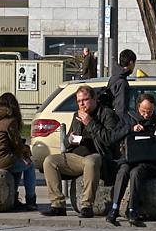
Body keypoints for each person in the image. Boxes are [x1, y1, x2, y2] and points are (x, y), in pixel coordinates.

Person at [43, 86, 116, 217]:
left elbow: (109, 140)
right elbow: (66, 141)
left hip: (97, 155)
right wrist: (70, 139)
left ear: (94, 99)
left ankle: (87, 206)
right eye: (78, 101)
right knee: (50, 161)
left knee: (90, 162)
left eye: (85, 100)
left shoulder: (107, 114)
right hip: (76, 156)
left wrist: (90, 122)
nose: (81, 104)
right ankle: (58, 205)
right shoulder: (77, 115)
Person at [110, 92, 156, 228]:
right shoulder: (128, 119)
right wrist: (130, 129)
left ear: (154, 109)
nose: (146, 115)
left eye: (149, 112)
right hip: (129, 159)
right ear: (138, 107)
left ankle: (133, 210)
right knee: (123, 171)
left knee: (136, 173)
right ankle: (114, 208)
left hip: (149, 163)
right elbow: (113, 137)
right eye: (143, 111)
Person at [0, 92, 38, 210]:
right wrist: (25, 148)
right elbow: (17, 144)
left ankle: (13, 197)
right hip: (0, 160)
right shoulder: (9, 120)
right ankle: (31, 199)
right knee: (29, 165)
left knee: (17, 161)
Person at [109, 50, 137, 122]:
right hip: (118, 121)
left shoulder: (114, 77)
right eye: (134, 64)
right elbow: (121, 107)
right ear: (131, 62)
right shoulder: (122, 82)